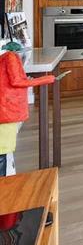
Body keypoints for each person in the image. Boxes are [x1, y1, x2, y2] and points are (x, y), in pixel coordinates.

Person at [0, 44, 55, 175]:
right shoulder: (11, 58)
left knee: (4, 147)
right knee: (3, 148)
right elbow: (16, 81)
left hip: (6, 108)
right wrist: (46, 79)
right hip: (7, 109)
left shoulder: (6, 57)